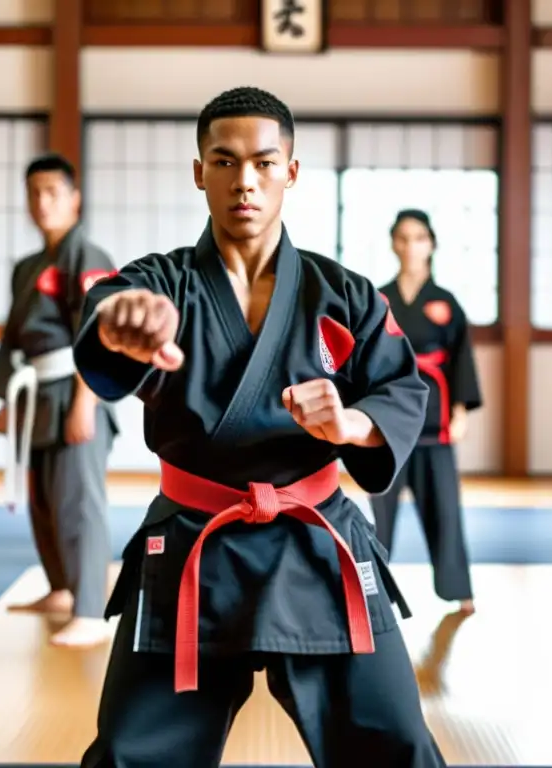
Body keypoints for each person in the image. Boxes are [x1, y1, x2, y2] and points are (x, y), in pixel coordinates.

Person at [74, 87, 447, 767]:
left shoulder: (346, 293)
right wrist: (119, 327)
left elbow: (401, 386)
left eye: (264, 163)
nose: (245, 180)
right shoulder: (161, 284)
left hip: (318, 540)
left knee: (396, 745)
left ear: (291, 173)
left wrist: (352, 421)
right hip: (193, 541)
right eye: (224, 161)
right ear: (199, 172)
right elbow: (109, 307)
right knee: (131, 752)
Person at [0, 153, 118, 649]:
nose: (42, 202)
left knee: (80, 503)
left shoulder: (89, 256)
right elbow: (12, 339)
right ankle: (62, 588)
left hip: (75, 388)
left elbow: (101, 332)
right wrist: (5, 399)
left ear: (73, 199)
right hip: (36, 393)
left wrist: (87, 400)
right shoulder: (27, 268)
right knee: (43, 500)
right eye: (34, 193)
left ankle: (91, 609)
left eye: (53, 192)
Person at [370, 209, 481, 615]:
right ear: (393, 244)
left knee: (444, 509)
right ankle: (373, 589)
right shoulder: (378, 299)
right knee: (379, 511)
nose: (410, 246)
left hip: (436, 422)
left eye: (419, 237)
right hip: (387, 419)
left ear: (430, 244)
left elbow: (461, 358)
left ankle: (460, 590)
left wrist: (462, 411)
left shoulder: (446, 303)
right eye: (403, 237)